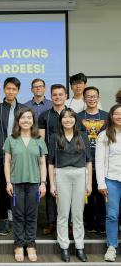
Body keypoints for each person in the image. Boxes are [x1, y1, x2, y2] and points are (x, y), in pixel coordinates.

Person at [48, 108, 92, 263]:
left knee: (78, 214)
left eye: (71, 117)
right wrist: (52, 184)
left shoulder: (83, 136)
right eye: (64, 117)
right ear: (60, 121)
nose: (68, 120)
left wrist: (89, 182)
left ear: (75, 119)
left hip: (80, 174)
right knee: (63, 213)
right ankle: (64, 247)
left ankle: (80, 247)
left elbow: (88, 161)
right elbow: (51, 163)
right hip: (61, 175)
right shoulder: (54, 137)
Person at [4, 107, 47, 262]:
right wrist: (8, 182)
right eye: (23, 118)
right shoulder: (11, 139)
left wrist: (43, 183)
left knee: (31, 216)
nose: (26, 120)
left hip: (34, 184)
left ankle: (30, 245)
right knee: (18, 216)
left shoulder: (39, 140)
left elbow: (42, 163)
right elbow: (7, 162)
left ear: (33, 120)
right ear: (18, 121)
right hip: (16, 184)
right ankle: (18, 245)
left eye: (29, 117)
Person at [0, 77, 26, 235]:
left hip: (20, 156)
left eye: (14, 89)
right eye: (8, 89)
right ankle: (4, 218)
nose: (11, 91)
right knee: (3, 187)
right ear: (4, 90)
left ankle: (17, 217)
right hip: (1, 156)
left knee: (19, 187)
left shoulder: (23, 110)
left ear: (18, 91)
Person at [38, 84, 67, 235]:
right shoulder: (44, 115)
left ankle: (67, 223)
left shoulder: (72, 115)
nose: (57, 97)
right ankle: (52, 223)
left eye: (60, 94)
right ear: (51, 96)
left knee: (67, 192)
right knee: (51, 192)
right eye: (54, 94)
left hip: (69, 160)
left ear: (65, 96)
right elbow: (41, 139)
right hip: (50, 159)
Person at [77, 86, 108, 233]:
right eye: (88, 96)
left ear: (98, 98)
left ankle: (101, 221)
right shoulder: (77, 117)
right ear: (84, 98)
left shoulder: (107, 117)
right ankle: (88, 221)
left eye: (94, 96)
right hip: (84, 161)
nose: (91, 99)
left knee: (101, 193)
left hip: (103, 162)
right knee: (87, 192)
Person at [95, 104, 121, 262]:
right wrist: (101, 183)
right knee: (112, 215)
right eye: (116, 113)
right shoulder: (104, 135)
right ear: (111, 116)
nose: (119, 116)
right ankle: (112, 246)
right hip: (111, 180)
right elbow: (99, 161)